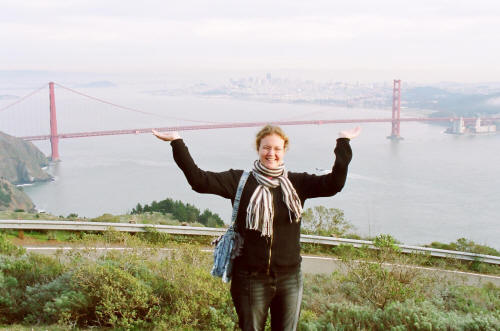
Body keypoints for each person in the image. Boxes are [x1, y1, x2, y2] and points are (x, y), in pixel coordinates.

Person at [152, 125, 360, 331]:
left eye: (277, 149)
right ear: (258, 149)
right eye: (266, 148)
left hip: (289, 278)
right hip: (250, 279)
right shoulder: (239, 181)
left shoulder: (296, 184)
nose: (271, 153)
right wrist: (176, 142)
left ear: (284, 150)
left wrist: (343, 142)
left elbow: (335, 184)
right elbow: (199, 180)